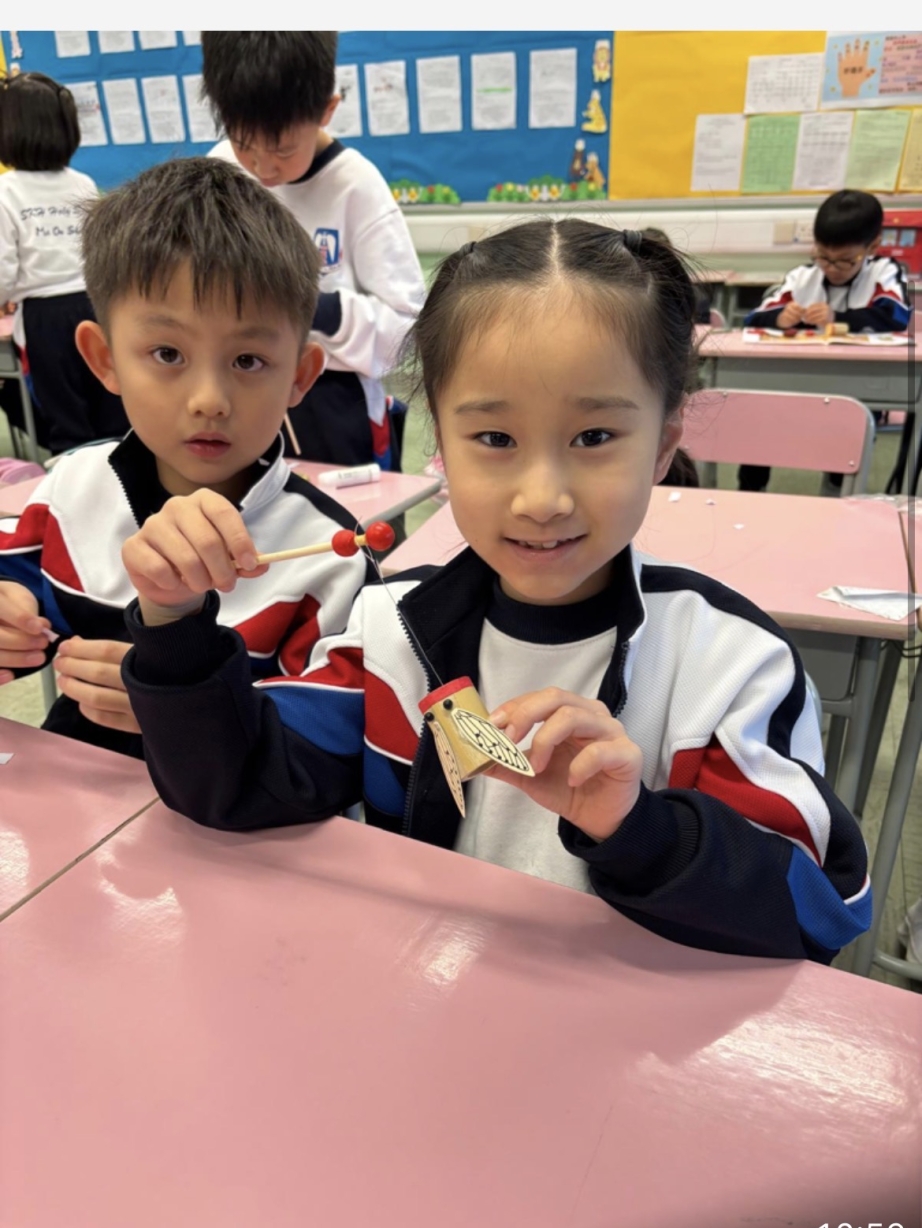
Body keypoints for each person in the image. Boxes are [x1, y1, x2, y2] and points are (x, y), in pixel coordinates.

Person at [119, 220, 870, 963]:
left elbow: (818, 915)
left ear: (663, 444)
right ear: (441, 449)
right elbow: (233, 788)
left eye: (595, 438)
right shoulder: (389, 634)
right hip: (426, 1006)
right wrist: (173, 621)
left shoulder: (729, 666)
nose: (542, 499)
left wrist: (640, 829)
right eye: (496, 440)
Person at [0, 157, 371, 757]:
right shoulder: (71, 488)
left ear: (299, 377)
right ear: (104, 359)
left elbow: (329, 750)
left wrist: (184, 709)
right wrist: (10, 621)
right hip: (77, 797)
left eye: (248, 360)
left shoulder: (331, 554)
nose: (209, 400)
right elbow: (17, 585)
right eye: (168, 353)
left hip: (231, 813)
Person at [201, 31, 425, 471]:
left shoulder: (357, 188)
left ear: (326, 110)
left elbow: (408, 331)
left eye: (283, 148)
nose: (263, 167)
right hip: (243, 389)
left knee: (347, 513)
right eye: (243, 143)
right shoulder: (221, 171)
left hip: (336, 403)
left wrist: (320, 310)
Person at [741, 189, 912, 492]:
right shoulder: (802, 278)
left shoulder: (884, 273)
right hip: (796, 385)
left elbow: (896, 316)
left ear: (872, 247)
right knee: (758, 416)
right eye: (823, 257)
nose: (831, 268)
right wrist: (779, 318)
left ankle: (836, 491)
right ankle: (750, 491)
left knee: (847, 434)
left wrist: (839, 319)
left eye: (845, 261)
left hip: (858, 388)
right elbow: (754, 319)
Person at [0, 71, 130, 454]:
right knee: (112, 405)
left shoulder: (6, 191)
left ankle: (76, 478)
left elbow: (3, 268)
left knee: (67, 419)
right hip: (96, 306)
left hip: (45, 320)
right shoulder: (82, 183)